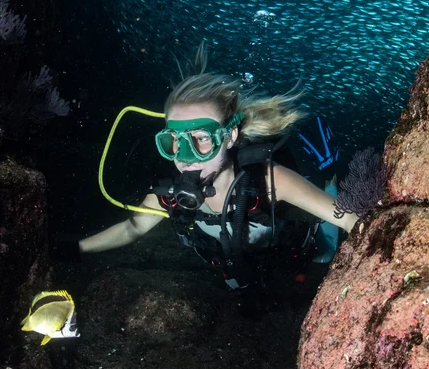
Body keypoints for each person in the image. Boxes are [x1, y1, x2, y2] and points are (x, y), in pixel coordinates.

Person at [77, 48, 358, 313]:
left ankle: (329, 182)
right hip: (239, 264)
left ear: (230, 136)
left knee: (324, 253)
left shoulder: (268, 179)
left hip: (290, 248)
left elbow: (347, 219)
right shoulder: (170, 191)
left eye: (201, 139)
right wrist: (75, 249)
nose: (186, 158)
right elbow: (131, 228)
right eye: (174, 140)